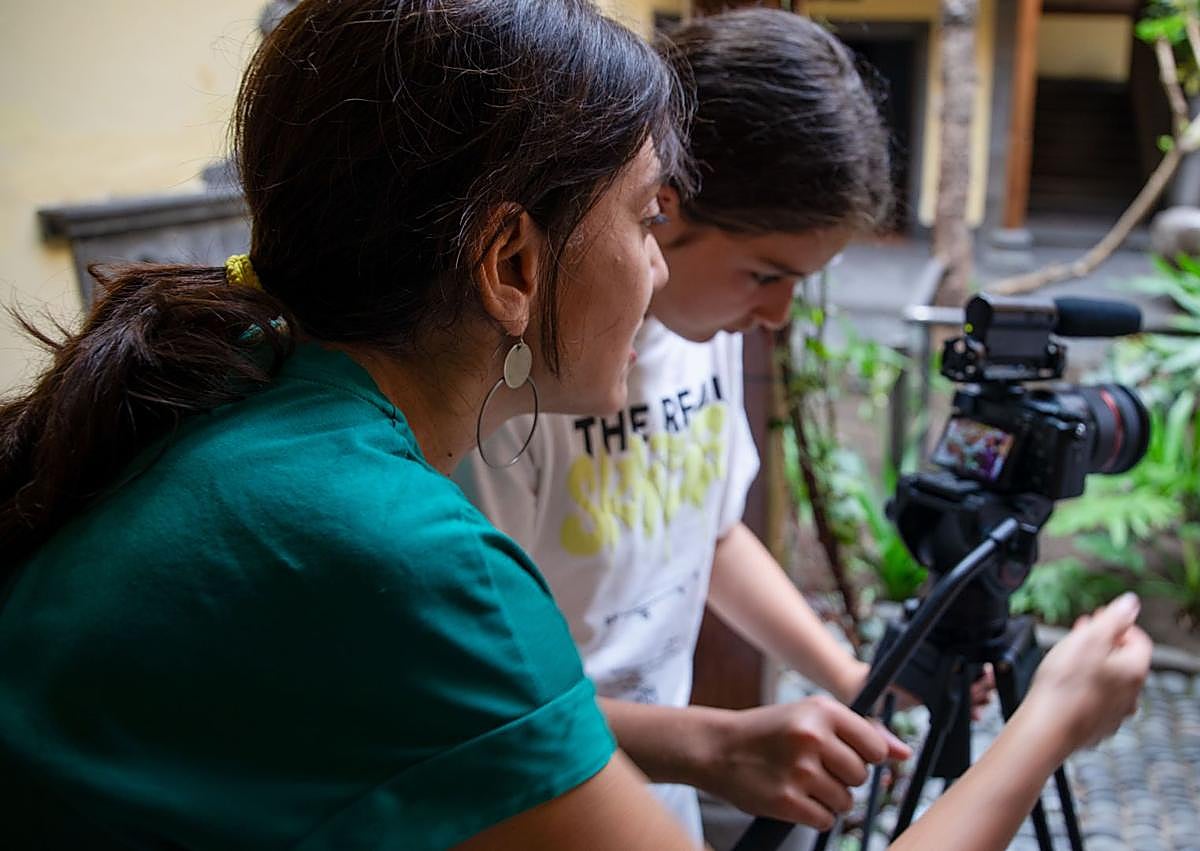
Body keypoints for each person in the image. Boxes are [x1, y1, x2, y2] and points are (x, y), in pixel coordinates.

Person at [0, 2, 1149, 850]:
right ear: (511, 263)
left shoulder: (260, 398)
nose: (657, 270)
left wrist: (705, 737)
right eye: (650, 217)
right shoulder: (402, 551)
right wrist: (1044, 724)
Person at [451, 9, 1066, 846]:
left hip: (653, 794)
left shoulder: (703, 334)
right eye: (765, 274)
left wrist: (852, 678)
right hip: (542, 802)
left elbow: (712, 533)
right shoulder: (521, 390)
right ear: (662, 207)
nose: (775, 313)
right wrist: (708, 745)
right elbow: (476, 699)